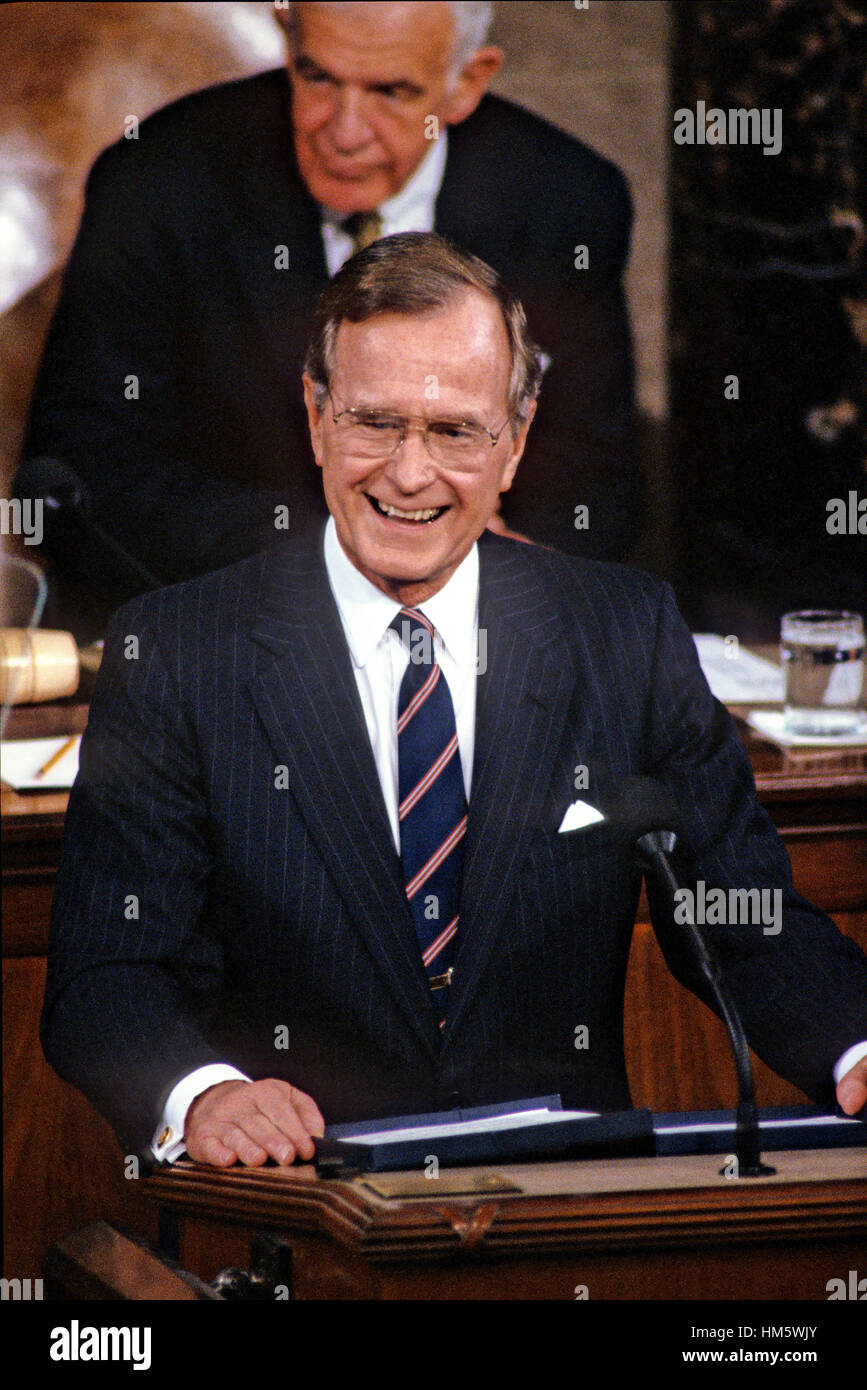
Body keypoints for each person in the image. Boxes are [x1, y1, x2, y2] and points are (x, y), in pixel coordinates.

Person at [41, 233, 867, 1170]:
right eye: (374, 422)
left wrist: (856, 1046)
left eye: (454, 431)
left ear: (513, 441)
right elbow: (106, 975)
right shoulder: (180, 653)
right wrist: (204, 1092)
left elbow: (740, 917)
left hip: (566, 1215)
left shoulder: (621, 632)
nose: (407, 472)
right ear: (315, 418)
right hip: (298, 1207)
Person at [18, 0, 639, 633]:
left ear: (466, 83)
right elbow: (76, 478)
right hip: (226, 626)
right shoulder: (155, 181)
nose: (344, 132)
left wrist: (509, 571)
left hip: (483, 633)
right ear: (287, 42)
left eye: (391, 92)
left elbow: (596, 474)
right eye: (318, 77)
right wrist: (343, 556)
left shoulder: (569, 199)